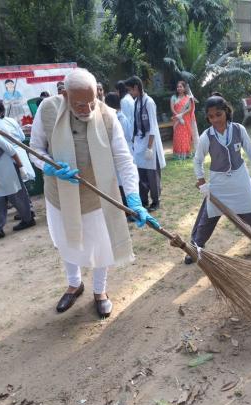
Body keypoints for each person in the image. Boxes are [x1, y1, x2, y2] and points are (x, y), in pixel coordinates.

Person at [30, 69, 158, 318]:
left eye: (92, 101)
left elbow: (123, 159)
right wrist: (48, 166)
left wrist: (134, 198)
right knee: (67, 240)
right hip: (59, 194)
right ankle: (74, 283)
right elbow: (35, 148)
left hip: (96, 195)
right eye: (80, 104)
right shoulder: (47, 110)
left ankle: (100, 291)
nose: (88, 109)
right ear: (64, 94)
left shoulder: (108, 116)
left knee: (100, 246)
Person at [186, 96, 251, 265]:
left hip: (240, 177)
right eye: (211, 117)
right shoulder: (207, 136)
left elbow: (250, 152)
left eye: (219, 114)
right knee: (208, 217)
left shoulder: (239, 130)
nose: (216, 119)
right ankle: (196, 246)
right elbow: (197, 160)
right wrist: (202, 182)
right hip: (219, 182)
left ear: (226, 111)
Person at [0, 99, 36, 220]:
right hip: (20, 152)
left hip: (10, 156)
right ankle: (28, 209)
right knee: (20, 185)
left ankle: (27, 210)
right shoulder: (11, 121)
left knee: (18, 187)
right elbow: (22, 137)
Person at [125, 75, 166, 211]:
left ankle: (156, 200)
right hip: (139, 142)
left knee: (152, 175)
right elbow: (134, 124)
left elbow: (153, 126)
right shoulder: (136, 102)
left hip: (150, 143)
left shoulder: (149, 102)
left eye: (131, 90)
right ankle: (144, 201)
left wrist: (149, 147)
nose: (130, 93)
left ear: (136, 87)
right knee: (141, 174)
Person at [104, 92, 133, 207]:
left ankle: (129, 209)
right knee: (121, 182)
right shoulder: (118, 117)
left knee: (124, 183)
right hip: (121, 153)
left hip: (122, 153)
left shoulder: (119, 119)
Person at [170, 80, 199, 160]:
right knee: (177, 136)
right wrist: (178, 116)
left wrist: (181, 115)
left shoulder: (188, 97)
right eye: (178, 87)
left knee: (186, 136)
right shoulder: (173, 97)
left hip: (186, 120)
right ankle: (178, 154)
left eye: (181, 86)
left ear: (184, 88)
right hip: (176, 120)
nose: (179, 88)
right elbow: (172, 109)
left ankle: (186, 153)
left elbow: (190, 108)